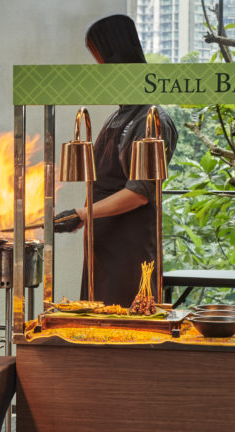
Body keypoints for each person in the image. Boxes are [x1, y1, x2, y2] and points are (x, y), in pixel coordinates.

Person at [54, 14, 178, 307]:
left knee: (127, 334)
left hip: (131, 253)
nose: (102, 79)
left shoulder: (152, 119)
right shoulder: (118, 115)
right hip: (103, 248)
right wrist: (84, 216)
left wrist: (84, 213)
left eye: (105, 71)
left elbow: (139, 193)